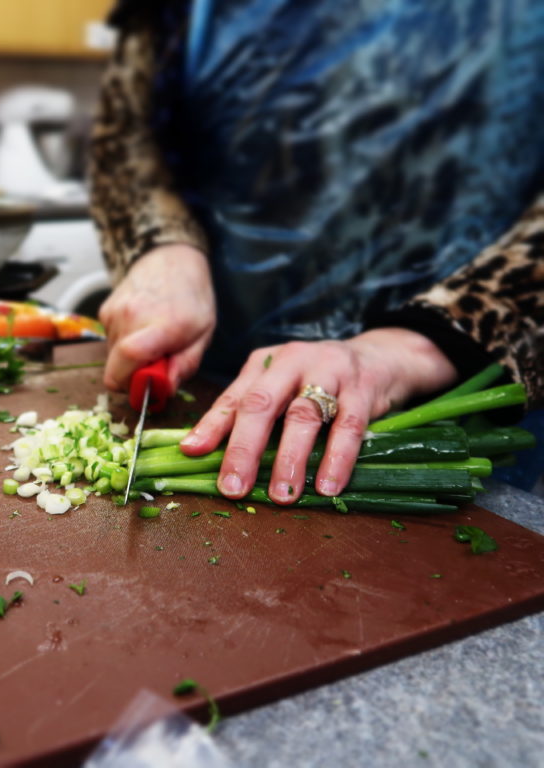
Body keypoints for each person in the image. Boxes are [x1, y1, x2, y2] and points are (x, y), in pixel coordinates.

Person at [89, 0, 544, 503]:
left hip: (441, 421)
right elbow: (132, 132)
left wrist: (419, 342)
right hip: (214, 385)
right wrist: (162, 247)